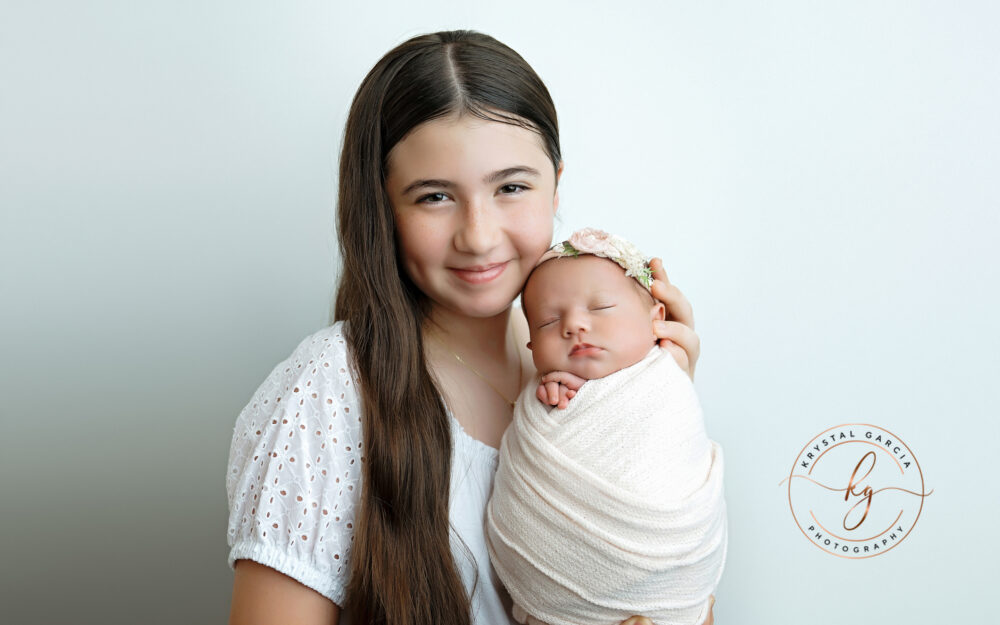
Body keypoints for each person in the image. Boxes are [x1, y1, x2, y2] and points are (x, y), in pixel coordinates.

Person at [226, 30, 711, 625]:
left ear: (557, 183)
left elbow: (678, 599)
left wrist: (655, 407)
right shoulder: (331, 390)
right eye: (434, 197)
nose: (478, 235)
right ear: (381, 208)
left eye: (511, 187)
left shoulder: (591, 367)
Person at [486, 229, 726, 625]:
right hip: (550, 602)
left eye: (600, 308)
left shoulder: (665, 381)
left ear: (657, 320)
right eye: (548, 321)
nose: (574, 325)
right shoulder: (546, 395)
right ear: (532, 348)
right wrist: (560, 410)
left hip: (661, 574)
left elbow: (673, 456)